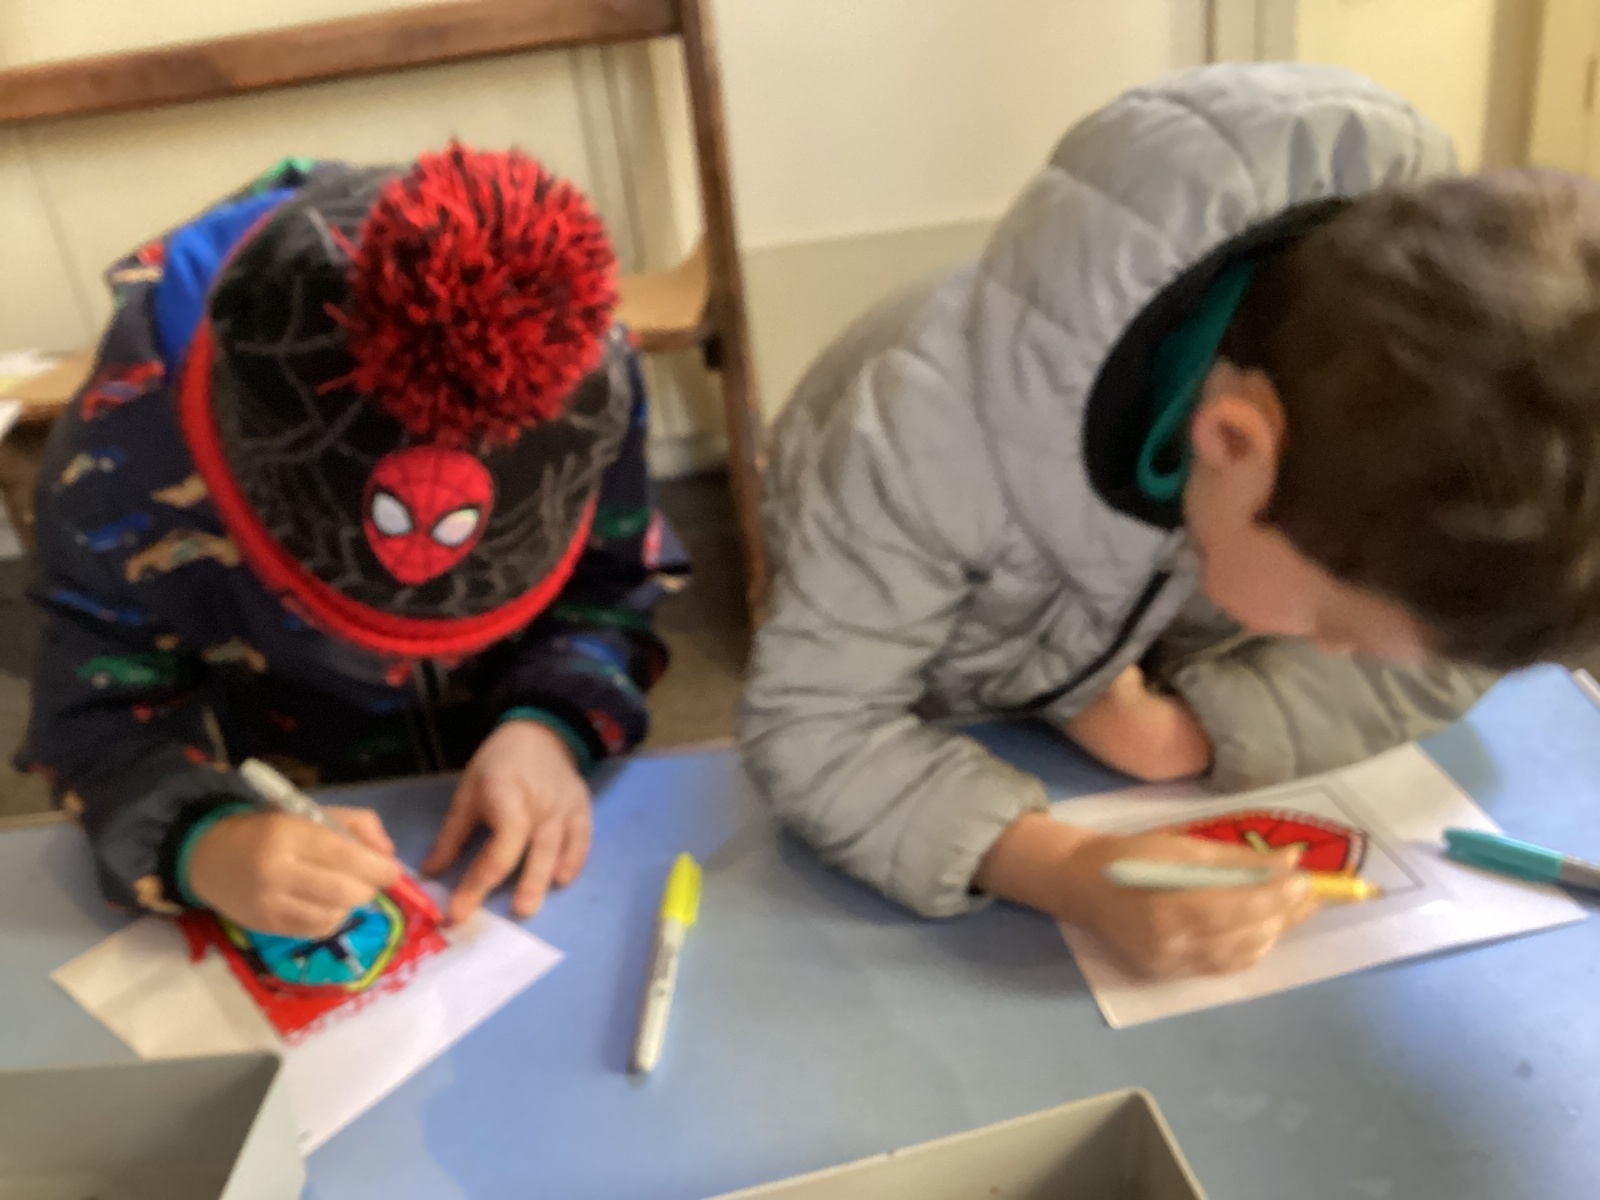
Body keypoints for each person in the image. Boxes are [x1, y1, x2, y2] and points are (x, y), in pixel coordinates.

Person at [740, 63, 1600, 979]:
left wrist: (1198, 729)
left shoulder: (1399, 486)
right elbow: (818, 724)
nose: (1334, 654)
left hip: (1110, 691)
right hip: (927, 696)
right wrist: (1065, 867)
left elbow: (1443, 658)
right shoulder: (923, 438)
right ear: (1232, 442)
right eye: (1335, 628)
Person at [21, 144, 686, 937]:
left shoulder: (574, 365)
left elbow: (613, 584)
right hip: (301, 793)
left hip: (523, 790)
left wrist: (553, 722)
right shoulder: (118, 462)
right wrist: (204, 841)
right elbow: (93, 724)